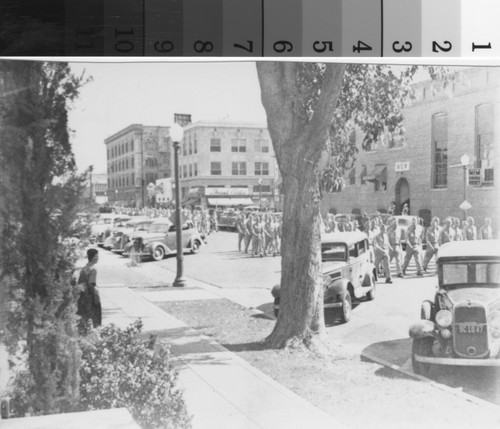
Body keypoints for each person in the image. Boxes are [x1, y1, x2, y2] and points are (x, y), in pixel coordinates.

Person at [77, 248, 102, 333]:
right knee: (94, 316)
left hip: (82, 296)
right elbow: (92, 284)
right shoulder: (93, 269)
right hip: (90, 296)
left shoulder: (84, 268)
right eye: (96, 256)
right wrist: (96, 298)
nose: (97, 258)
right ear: (92, 257)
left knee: (84, 316)